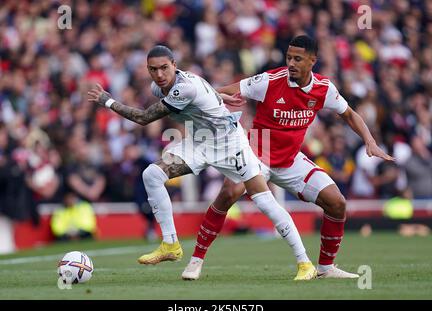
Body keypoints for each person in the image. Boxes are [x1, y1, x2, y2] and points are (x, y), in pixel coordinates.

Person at [88, 45, 316, 281]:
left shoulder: (184, 87)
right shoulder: (160, 87)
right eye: (153, 69)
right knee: (152, 175)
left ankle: (305, 263)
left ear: (175, 65)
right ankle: (170, 245)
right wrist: (219, 97)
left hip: (230, 144)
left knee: (265, 201)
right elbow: (203, 93)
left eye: (164, 68)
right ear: (148, 70)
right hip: (199, 141)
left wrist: (107, 101)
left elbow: (143, 118)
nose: (159, 74)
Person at [182, 35, 394, 280]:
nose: (291, 63)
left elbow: (349, 114)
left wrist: (370, 141)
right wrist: (201, 99)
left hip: (290, 160)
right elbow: (227, 90)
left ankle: (326, 268)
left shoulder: (324, 89)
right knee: (229, 192)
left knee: (337, 203)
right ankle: (196, 261)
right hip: (256, 154)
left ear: (312, 61)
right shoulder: (269, 81)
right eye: (288, 57)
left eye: (297, 59)